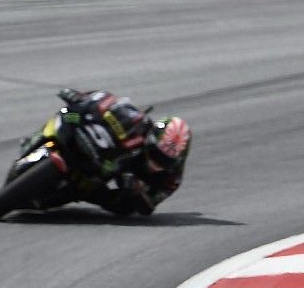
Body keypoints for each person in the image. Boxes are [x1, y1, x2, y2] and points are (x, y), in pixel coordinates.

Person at [20, 88, 191, 216]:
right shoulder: (139, 124)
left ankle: (66, 194)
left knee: (126, 209)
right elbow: (107, 100)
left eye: (165, 160)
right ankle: (37, 140)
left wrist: (137, 191)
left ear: (179, 159)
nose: (157, 160)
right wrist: (82, 99)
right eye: (156, 152)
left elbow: (149, 207)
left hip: (112, 183)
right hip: (106, 152)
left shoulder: (172, 179)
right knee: (70, 114)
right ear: (152, 137)